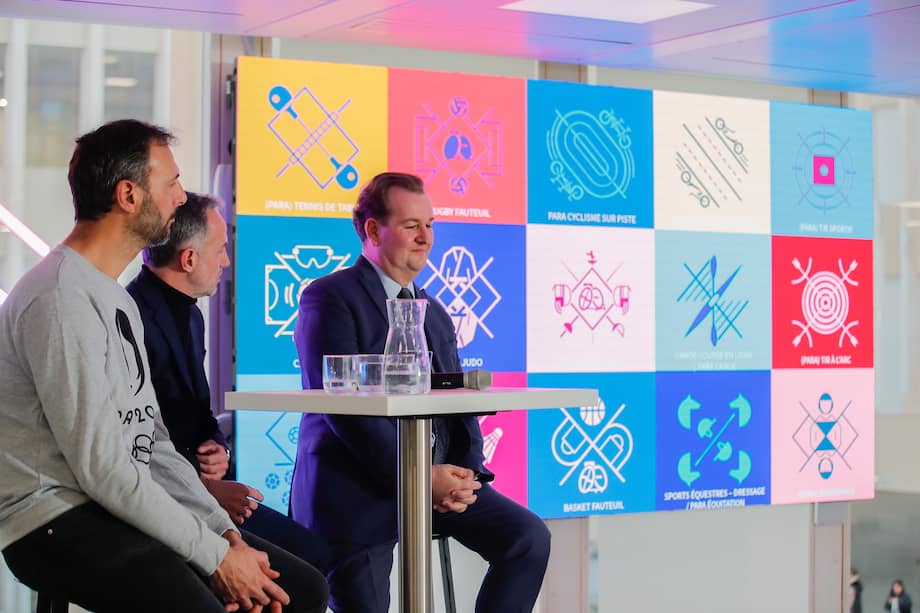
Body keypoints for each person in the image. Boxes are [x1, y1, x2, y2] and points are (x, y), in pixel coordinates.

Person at [0, 119, 327, 613]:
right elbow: (104, 469)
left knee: (302, 589)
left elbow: (151, 442)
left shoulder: (113, 296)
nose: (180, 197)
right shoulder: (61, 297)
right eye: (171, 183)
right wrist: (216, 559)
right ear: (129, 195)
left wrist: (223, 533)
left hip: (110, 501)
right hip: (54, 517)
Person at [291, 171, 551, 613]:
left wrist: (466, 475)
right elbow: (342, 413)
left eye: (429, 225)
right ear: (374, 231)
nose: (425, 237)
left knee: (526, 539)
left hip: (434, 482)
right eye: (411, 225)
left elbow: (458, 400)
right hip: (357, 490)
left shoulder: (435, 312)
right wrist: (416, 477)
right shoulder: (330, 297)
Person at [126, 191, 332, 573]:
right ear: (189, 259)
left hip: (200, 487)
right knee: (305, 566)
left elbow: (197, 413)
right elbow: (135, 438)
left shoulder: (192, 316)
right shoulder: (130, 317)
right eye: (221, 249)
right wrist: (205, 486)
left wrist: (218, 448)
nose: (226, 261)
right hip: (165, 498)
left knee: (313, 555)